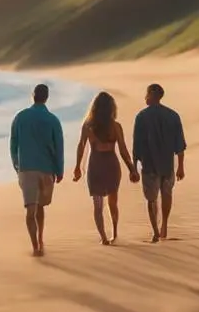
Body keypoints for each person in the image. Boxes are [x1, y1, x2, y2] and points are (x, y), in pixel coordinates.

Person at [73, 91, 139, 245]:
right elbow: (123, 150)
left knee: (98, 204)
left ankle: (103, 237)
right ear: (111, 109)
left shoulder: (88, 126)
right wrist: (131, 169)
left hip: (95, 165)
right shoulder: (115, 127)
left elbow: (81, 146)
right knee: (113, 202)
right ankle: (114, 232)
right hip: (111, 164)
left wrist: (77, 167)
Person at [10, 83, 64, 257]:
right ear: (46, 97)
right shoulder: (53, 120)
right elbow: (59, 147)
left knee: (30, 209)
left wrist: (17, 165)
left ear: (33, 95)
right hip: (47, 169)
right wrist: (60, 169)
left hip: (27, 168)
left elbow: (13, 144)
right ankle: (40, 239)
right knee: (41, 206)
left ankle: (35, 246)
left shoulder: (20, 117)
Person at [132, 83, 187, 243]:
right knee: (167, 194)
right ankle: (164, 227)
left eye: (146, 94)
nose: (144, 97)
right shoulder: (173, 115)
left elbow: (137, 144)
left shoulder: (141, 116)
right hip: (167, 164)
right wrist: (181, 167)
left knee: (151, 199)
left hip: (149, 165)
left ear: (151, 95)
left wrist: (134, 167)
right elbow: (180, 145)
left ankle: (155, 230)